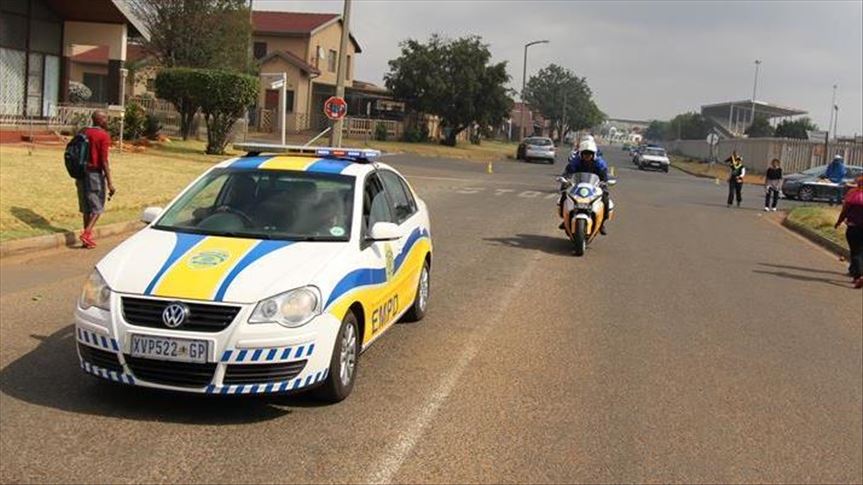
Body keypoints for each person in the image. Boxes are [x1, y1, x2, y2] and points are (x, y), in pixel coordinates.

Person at [77, 111, 115, 248]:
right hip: (94, 174)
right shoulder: (103, 136)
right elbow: (104, 160)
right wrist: (110, 182)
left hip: (81, 174)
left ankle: (86, 240)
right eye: (105, 117)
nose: (107, 119)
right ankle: (86, 234)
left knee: (87, 208)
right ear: (99, 120)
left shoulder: (83, 131)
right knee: (98, 207)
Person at [559, 138, 611, 234]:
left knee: (605, 199)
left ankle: (602, 223)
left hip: (594, 186)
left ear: (594, 154)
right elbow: (568, 171)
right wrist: (565, 179)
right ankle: (565, 219)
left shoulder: (599, 163)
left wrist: (605, 182)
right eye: (585, 153)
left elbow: (604, 174)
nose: (587, 156)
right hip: (578, 185)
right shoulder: (576, 161)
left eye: (589, 154)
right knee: (564, 197)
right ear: (581, 154)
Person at [835, 174, 863, 289]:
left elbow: (845, 210)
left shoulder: (852, 194)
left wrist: (839, 222)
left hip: (853, 227)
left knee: (855, 252)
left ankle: (859, 276)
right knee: (861, 252)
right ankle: (855, 272)